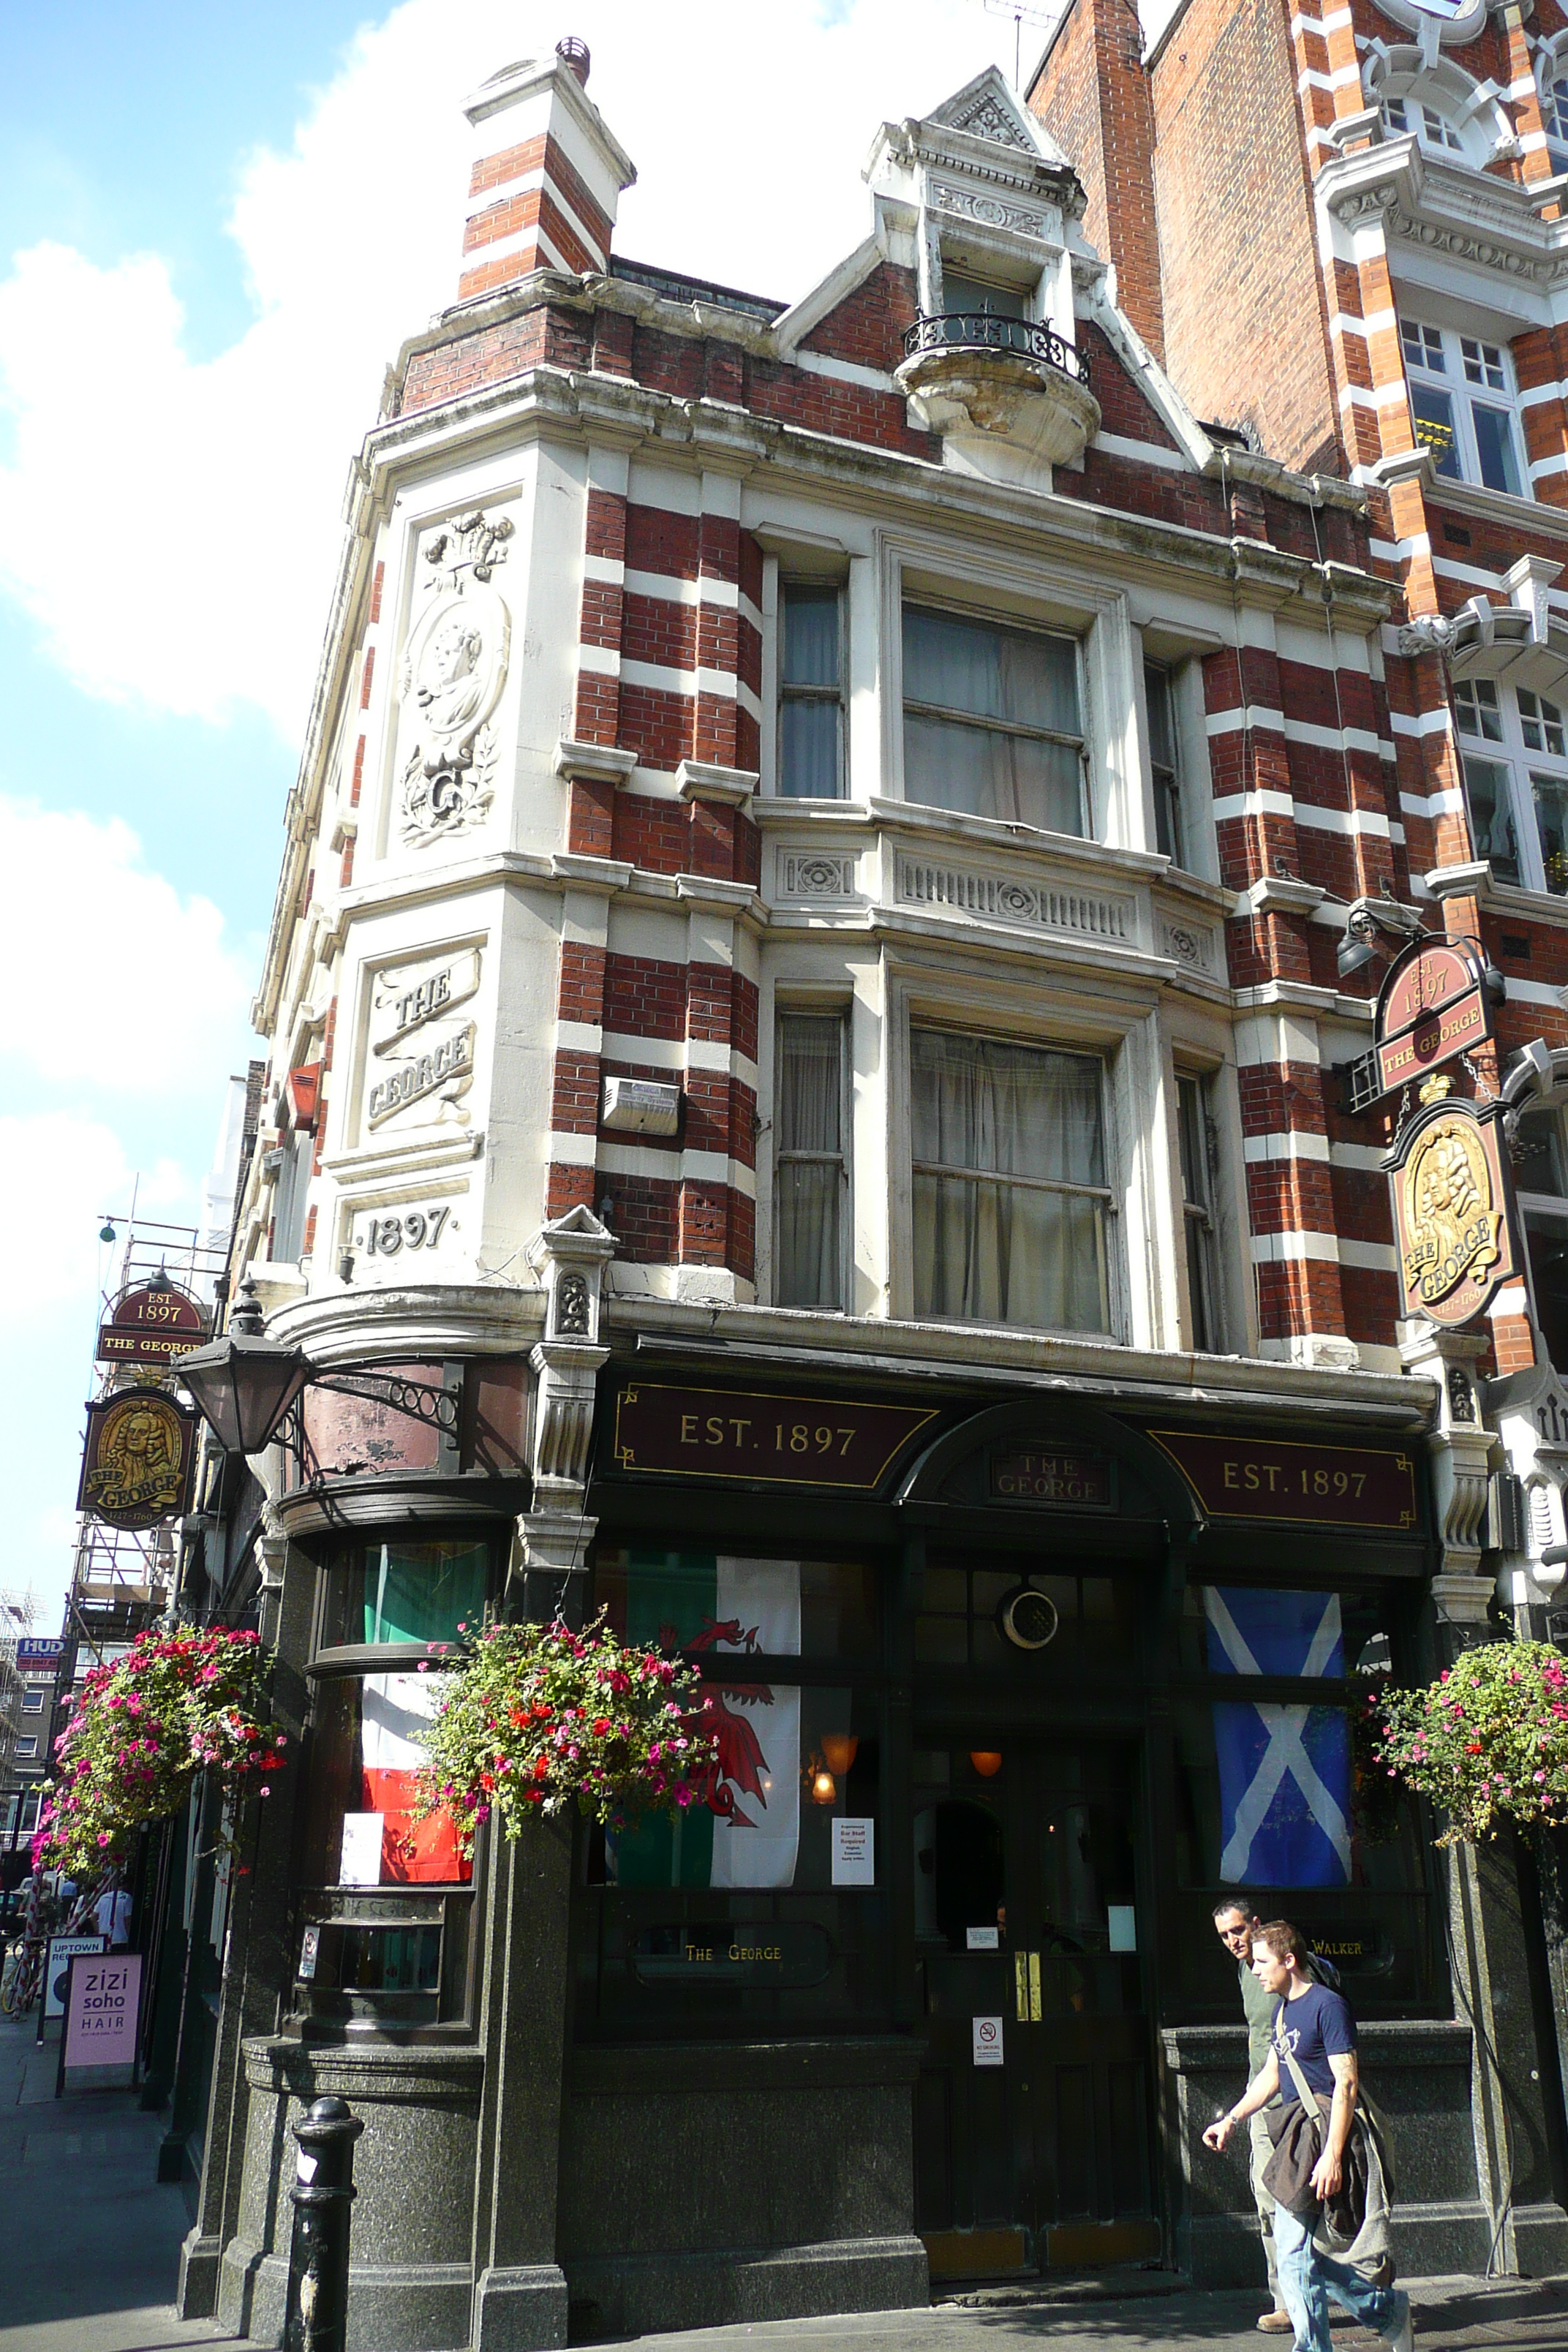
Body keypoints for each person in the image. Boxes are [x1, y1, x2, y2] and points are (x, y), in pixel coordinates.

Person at [1205, 1920, 1411, 2352]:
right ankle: (1387, 2313)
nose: (1255, 1970)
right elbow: (1273, 2075)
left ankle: (1347, 2331)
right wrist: (1232, 2120)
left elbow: (1346, 2085)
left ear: (1289, 1961)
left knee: (1296, 2255)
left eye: (1262, 1962)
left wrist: (1333, 2156)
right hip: (1299, 2140)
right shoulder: (1283, 2011)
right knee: (1297, 2255)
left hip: (1328, 2137)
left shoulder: (1326, 2006)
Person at [1213, 1899, 1292, 2334]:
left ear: (1256, 1924)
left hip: (1300, 2102)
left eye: (1238, 1930)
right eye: (1224, 1935)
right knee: (1268, 2202)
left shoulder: (1286, 1963)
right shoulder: (1247, 1971)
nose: (1233, 1941)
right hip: (1261, 2103)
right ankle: (1286, 2302)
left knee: (1325, 2203)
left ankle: (1370, 2290)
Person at [95, 1879, 132, 1950]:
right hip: (121, 1939)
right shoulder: (126, 1898)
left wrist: (99, 1932)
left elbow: (93, 1916)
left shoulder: (103, 1897)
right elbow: (128, 1920)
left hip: (104, 1938)